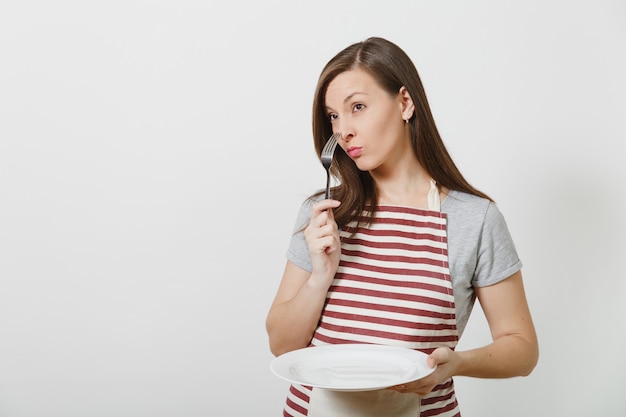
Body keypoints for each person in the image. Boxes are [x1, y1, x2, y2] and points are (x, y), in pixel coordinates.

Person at [266, 36, 538, 417]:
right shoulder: (324, 214)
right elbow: (281, 344)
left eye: (357, 107)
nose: (343, 130)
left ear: (405, 103)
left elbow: (521, 348)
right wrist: (319, 277)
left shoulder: (473, 220)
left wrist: (457, 364)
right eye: (333, 116)